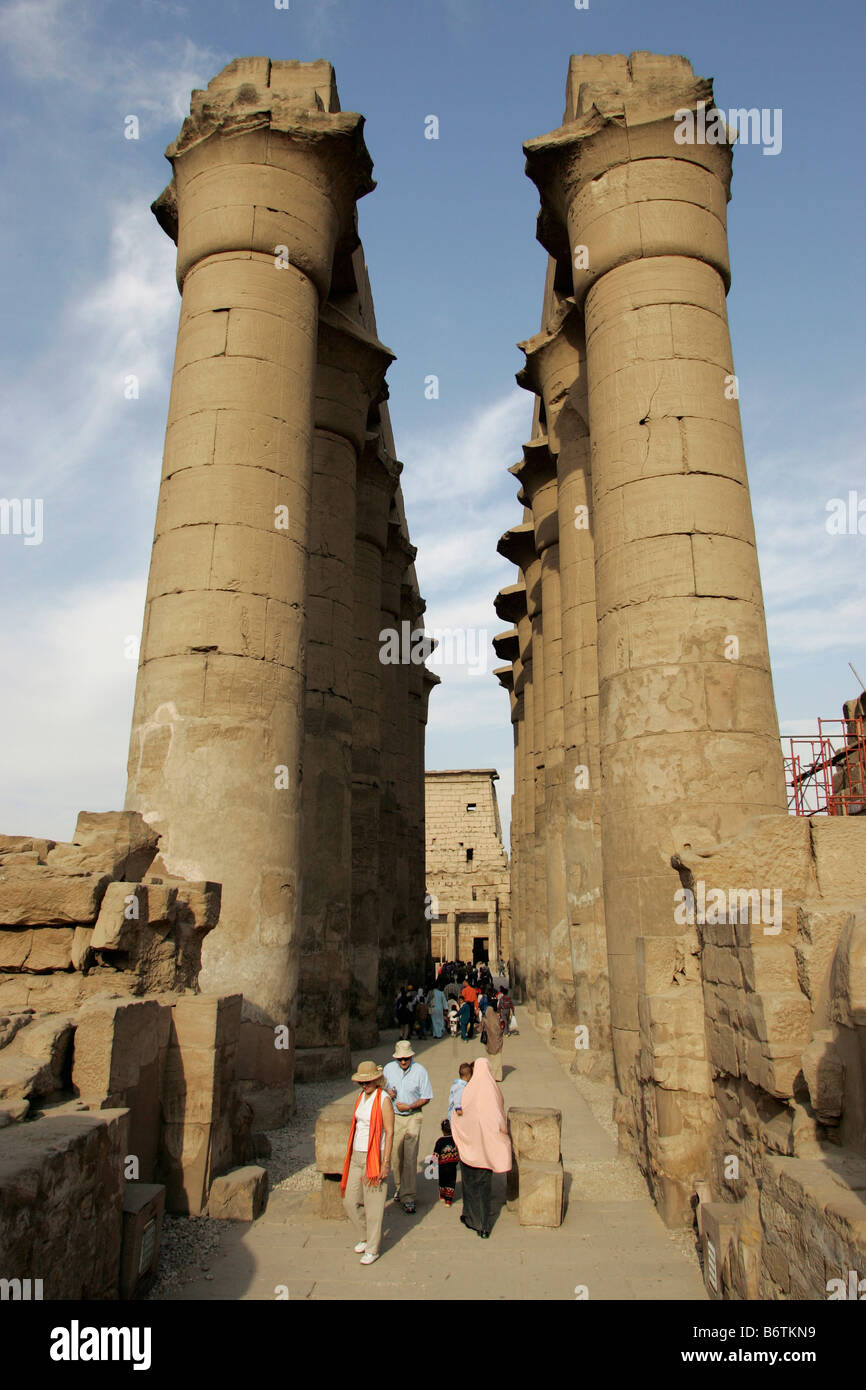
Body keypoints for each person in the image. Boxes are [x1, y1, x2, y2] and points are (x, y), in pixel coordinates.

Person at [450, 1057, 511, 1239]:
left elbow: (459, 1113)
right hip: (487, 1150)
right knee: (484, 1188)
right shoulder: (493, 1091)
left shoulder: (469, 1091)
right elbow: (499, 1117)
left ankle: (470, 1218)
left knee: (469, 1185)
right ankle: (484, 1226)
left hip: (471, 1149)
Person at [341, 1060, 395, 1265]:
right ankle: (365, 1236)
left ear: (377, 1080)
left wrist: (386, 1162)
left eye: (369, 1082)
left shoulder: (384, 1100)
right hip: (357, 1154)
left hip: (375, 1155)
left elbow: (389, 1132)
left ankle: (372, 1247)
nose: (365, 1085)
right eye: (362, 1083)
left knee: (374, 1206)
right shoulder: (361, 1097)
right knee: (350, 1200)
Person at [382, 1040, 433, 1214]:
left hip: (413, 1116)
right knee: (396, 1155)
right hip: (394, 1117)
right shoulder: (388, 1069)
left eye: (406, 1058)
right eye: (400, 1059)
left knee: (410, 1157)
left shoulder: (420, 1071)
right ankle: (399, 1187)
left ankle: (409, 1196)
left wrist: (410, 1106)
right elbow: (379, 1086)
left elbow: (426, 1096)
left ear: (411, 1056)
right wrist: (386, 1092)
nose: (403, 1062)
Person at [433, 1119, 460, 1205]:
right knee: (451, 1182)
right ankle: (448, 1200)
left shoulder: (440, 1141)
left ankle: (442, 1196)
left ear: (442, 1130)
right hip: (452, 1167)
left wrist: (433, 1164)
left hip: (442, 1167)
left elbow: (436, 1154)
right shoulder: (455, 1140)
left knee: (442, 1181)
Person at [480, 994, 504, 1081]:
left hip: (489, 1042)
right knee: (498, 1059)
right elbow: (501, 1029)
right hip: (497, 1042)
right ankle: (498, 1076)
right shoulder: (497, 1018)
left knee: (491, 1059)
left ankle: (491, 1075)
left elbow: (480, 1028)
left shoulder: (485, 1019)